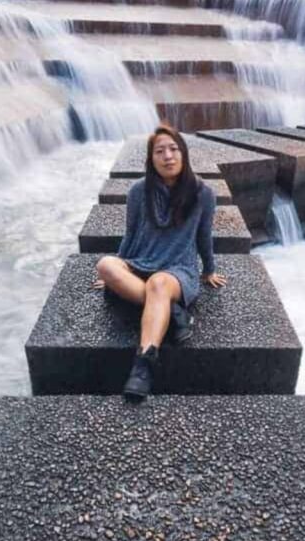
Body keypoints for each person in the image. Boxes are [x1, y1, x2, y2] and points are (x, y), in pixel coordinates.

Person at [93, 125, 228, 401]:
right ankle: (174, 312)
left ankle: (143, 365)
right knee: (105, 265)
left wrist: (209, 270)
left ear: (183, 154)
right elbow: (130, 234)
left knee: (158, 283)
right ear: (151, 159)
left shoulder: (203, 193)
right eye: (160, 151)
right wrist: (117, 270)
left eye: (173, 149)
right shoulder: (137, 192)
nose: (168, 156)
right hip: (139, 261)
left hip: (178, 269)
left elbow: (204, 237)